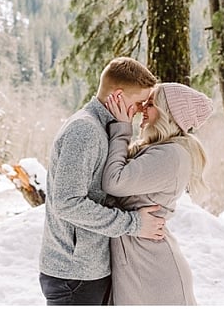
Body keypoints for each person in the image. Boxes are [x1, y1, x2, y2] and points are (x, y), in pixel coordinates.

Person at [38, 57, 167, 305]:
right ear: (117, 96)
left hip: (88, 269)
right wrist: (134, 224)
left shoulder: (103, 128)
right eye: (140, 102)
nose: (142, 109)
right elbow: (67, 203)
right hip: (74, 275)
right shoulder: (84, 130)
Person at [101, 82, 213, 305]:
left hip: (154, 274)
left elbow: (114, 182)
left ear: (167, 113)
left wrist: (122, 128)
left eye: (151, 104)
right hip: (139, 266)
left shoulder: (171, 155)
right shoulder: (156, 150)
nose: (143, 108)